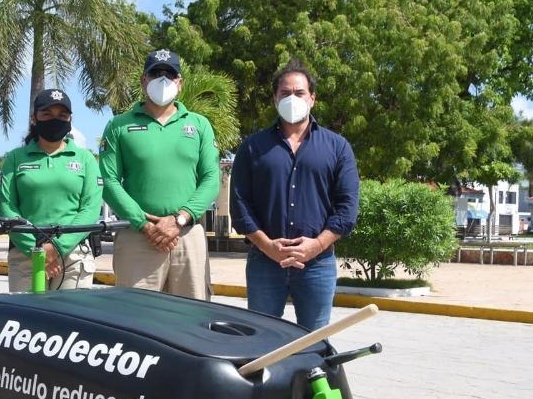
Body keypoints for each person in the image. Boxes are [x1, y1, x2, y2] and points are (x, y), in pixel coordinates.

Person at [230, 60, 359, 330]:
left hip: (317, 264)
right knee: (262, 341)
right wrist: (268, 247)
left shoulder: (337, 147)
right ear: (275, 98)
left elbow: (347, 209)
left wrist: (316, 245)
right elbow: (240, 206)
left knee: (314, 343)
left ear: (312, 98)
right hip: (265, 263)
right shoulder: (253, 148)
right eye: (285, 93)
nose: (292, 98)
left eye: (299, 93)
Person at [100, 49, 219, 300]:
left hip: (187, 236)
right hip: (136, 238)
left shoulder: (199, 125)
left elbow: (210, 179)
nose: (163, 79)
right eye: (156, 74)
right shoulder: (119, 125)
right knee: (135, 321)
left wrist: (179, 220)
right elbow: (110, 182)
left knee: (192, 319)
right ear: (144, 80)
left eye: (170, 74)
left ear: (180, 82)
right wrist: (144, 225)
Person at [0, 88, 101, 291]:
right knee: (28, 320)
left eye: (62, 115)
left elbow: (90, 209)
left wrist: (57, 248)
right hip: (26, 252)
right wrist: (38, 252)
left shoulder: (85, 159)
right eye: (47, 114)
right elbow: (7, 208)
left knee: (70, 320)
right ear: (34, 118)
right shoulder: (15, 158)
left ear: (70, 119)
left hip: (73, 253)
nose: (55, 120)